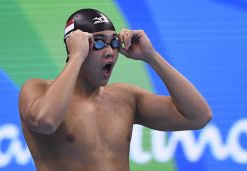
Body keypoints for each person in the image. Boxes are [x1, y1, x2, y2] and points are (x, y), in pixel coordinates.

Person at [18, 8, 212, 171]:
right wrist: (76, 56)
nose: (110, 52)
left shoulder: (125, 98)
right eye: (99, 42)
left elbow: (199, 116)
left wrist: (151, 56)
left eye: (114, 42)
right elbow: (46, 121)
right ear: (76, 45)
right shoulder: (37, 89)